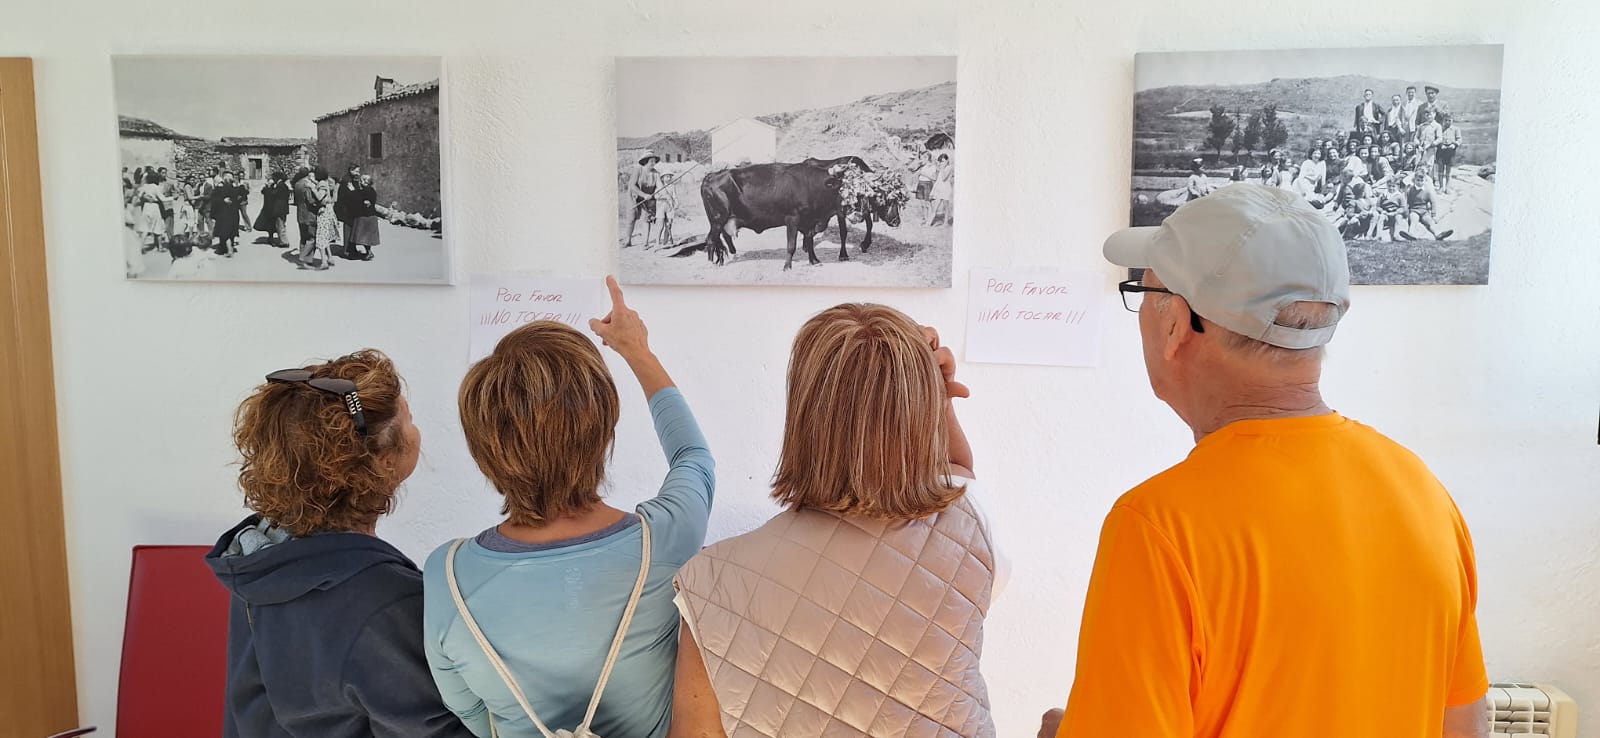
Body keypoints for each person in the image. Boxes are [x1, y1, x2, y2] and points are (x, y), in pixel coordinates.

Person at [1037, 183, 1489, 738]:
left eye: (1143, 289)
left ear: (1176, 324)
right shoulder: (1420, 489)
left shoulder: (1160, 526)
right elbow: (1464, 723)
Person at [676, 303, 1006, 738]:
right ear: (918, 409)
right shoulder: (969, 529)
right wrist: (936, 394)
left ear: (804, 411)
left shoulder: (711, 579)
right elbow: (957, 473)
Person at [424, 277, 716, 738]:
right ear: (606, 424)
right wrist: (636, 350)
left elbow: (476, 719)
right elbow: (694, 457)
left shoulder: (446, 575)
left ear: (483, 451)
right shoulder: (666, 538)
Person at [205, 350, 474, 738]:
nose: (416, 429)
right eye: (410, 419)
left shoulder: (260, 564)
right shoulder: (386, 604)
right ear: (383, 461)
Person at [1401, 171, 1455, 241]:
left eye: (1421, 181)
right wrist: (1406, 212)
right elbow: (1407, 202)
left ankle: (1438, 234)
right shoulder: (1410, 190)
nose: (1420, 182)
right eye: (1418, 180)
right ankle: (1411, 234)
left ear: (1425, 181)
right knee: (1413, 221)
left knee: (1430, 222)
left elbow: (1433, 202)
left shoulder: (1427, 191)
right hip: (1414, 210)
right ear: (1414, 180)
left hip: (1424, 211)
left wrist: (1433, 214)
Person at [623, 152, 662, 248]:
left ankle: (645, 242)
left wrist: (659, 193)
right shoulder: (638, 170)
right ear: (645, 162)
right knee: (631, 219)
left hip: (647, 199)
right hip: (634, 197)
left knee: (646, 219)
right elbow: (632, 185)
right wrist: (643, 195)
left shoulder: (656, 173)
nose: (653, 163)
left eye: (654, 161)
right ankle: (628, 241)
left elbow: (660, 186)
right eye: (651, 161)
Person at [305, 172, 341, 270]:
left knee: (320, 236)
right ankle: (330, 258)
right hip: (328, 210)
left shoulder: (322, 184)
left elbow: (320, 196)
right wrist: (313, 182)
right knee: (325, 236)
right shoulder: (323, 182)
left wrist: (312, 187)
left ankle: (324, 262)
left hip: (323, 211)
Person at [208, 171, 246, 257]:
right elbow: (242, 195)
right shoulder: (235, 188)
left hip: (224, 213)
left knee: (224, 232)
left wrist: (222, 201)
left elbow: (213, 199)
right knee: (230, 232)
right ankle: (223, 248)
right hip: (233, 213)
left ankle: (229, 250)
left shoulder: (220, 189)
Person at [253, 171, 293, 248]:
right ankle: (283, 240)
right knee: (281, 225)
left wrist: (267, 188)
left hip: (279, 209)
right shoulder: (282, 185)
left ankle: (284, 242)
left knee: (280, 225)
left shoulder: (280, 185)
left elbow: (273, 193)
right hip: (283, 209)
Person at [347, 173, 382, 261]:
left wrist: (352, 190)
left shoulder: (365, 191)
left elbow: (357, 198)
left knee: (364, 236)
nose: (360, 181)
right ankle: (368, 252)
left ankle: (369, 252)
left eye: (362, 180)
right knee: (366, 237)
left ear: (367, 183)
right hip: (368, 216)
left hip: (366, 217)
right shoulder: (370, 190)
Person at [335, 164, 364, 257]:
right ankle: (347, 251)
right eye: (356, 171)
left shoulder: (350, 179)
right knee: (348, 229)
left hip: (350, 209)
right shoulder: (347, 180)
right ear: (351, 170)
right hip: (347, 209)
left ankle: (351, 249)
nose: (358, 173)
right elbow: (350, 195)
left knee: (352, 229)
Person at [292, 166, 321, 256]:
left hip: (300, 213)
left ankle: (302, 254)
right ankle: (306, 258)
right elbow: (310, 200)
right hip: (309, 213)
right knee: (312, 237)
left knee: (303, 237)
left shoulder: (297, 184)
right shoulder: (307, 185)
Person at [1436, 112, 1463, 193]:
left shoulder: (1456, 129)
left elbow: (1459, 139)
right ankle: (1441, 187)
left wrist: (1454, 145)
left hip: (1450, 151)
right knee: (1440, 169)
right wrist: (1440, 145)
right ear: (1443, 120)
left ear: (1452, 121)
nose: (1447, 122)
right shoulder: (1440, 128)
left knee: (1448, 170)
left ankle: (1447, 187)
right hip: (1441, 150)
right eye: (1446, 120)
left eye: (1449, 120)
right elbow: (1437, 138)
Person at [1417, 108, 1445, 179]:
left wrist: (1431, 144)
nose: (1429, 116)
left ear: (1434, 114)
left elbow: (1439, 139)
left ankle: (1430, 182)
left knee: (1429, 166)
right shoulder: (1422, 126)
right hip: (1421, 149)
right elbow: (1416, 137)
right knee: (1419, 165)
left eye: (1430, 114)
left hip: (1431, 150)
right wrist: (1418, 145)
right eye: (1427, 115)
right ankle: (1420, 181)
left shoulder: (1437, 126)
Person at [928, 152, 955, 226]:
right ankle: (929, 223)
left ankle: (945, 223)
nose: (941, 163)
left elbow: (944, 178)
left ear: (947, 160)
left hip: (946, 188)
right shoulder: (941, 169)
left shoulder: (949, 168)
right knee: (935, 207)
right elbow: (938, 180)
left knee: (946, 207)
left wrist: (942, 168)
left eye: (943, 161)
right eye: (940, 161)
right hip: (939, 189)